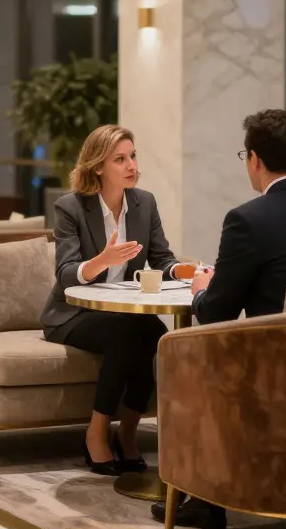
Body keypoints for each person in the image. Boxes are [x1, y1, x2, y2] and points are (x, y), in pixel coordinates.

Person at [153, 109, 286, 529]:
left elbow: (217, 312)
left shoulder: (248, 220)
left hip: (272, 377)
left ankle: (206, 501)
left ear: (254, 160)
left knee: (184, 360)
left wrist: (199, 289)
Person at [42, 125, 194, 477]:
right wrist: (101, 262)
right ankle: (96, 433)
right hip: (73, 314)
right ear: (98, 166)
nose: (131, 165)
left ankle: (127, 433)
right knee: (128, 334)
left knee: (155, 333)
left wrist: (187, 271)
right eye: (120, 159)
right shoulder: (71, 207)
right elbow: (65, 273)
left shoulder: (145, 203)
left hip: (121, 314)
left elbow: (162, 258)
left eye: (133, 156)